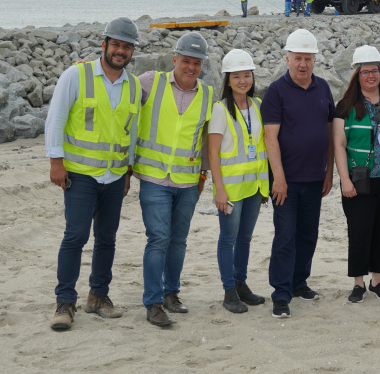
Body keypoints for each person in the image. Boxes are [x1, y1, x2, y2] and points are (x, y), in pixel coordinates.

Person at [45, 16, 141, 331]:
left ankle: (98, 296)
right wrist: (55, 161)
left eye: (126, 47)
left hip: (114, 176)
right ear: (105, 45)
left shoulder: (133, 85)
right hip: (81, 175)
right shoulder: (77, 75)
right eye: (116, 44)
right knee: (75, 236)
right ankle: (65, 302)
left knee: (107, 238)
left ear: (131, 52)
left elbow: (131, 131)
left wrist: (128, 170)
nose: (120, 51)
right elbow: (56, 118)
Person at [132, 32, 214, 327]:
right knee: (158, 239)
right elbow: (114, 89)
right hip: (154, 177)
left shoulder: (206, 93)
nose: (191, 67)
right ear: (174, 59)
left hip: (188, 181)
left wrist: (203, 174)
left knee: (178, 241)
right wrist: (84, 69)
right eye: (186, 61)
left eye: (197, 63)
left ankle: (171, 294)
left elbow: (206, 139)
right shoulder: (150, 82)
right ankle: (153, 303)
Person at [262, 28, 335, 318]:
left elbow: (329, 131)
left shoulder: (324, 88)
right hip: (286, 181)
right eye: (297, 58)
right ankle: (280, 293)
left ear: (314, 59)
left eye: (308, 58)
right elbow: (270, 137)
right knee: (285, 237)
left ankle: (298, 282)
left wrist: (328, 172)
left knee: (308, 235)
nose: (303, 64)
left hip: (315, 178)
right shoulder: (276, 91)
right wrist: (278, 178)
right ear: (287, 58)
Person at [333, 45, 380, 303]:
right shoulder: (346, 107)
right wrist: (344, 179)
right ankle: (358, 283)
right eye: (365, 72)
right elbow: (339, 145)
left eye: (374, 71)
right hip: (360, 180)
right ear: (357, 75)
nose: (370, 76)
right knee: (359, 231)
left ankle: (377, 281)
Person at [208, 49, 270, 314]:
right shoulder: (221, 110)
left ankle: (241, 284)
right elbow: (212, 152)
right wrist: (219, 189)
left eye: (247, 75)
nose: (243, 81)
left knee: (245, 238)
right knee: (228, 238)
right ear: (227, 79)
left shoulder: (257, 106)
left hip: (255, 186)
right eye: (237, 76)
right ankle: (229, 290)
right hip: (231, 189)